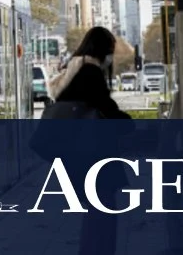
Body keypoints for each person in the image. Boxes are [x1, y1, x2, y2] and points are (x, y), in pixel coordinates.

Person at [46, 26, 132, 255]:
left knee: (94, 212)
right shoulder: (90, 72)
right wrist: (129, 124)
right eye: (111, 49)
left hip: (77, 154)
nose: (112, 55)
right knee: (103, 212)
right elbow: (106, 108)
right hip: (93, 154)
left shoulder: (73, 68)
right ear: (102, 49)